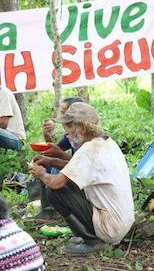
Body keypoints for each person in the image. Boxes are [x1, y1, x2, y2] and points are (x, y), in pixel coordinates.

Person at [30, 102, 134, 255]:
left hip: (110, 227)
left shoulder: (88, 150)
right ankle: (88, 235)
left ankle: (91, 240)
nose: (66, 133)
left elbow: (56, 183)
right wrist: (52, 161)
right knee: (69, 185)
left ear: (82, 128)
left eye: (69, 127)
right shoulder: (106, 143)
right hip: (121, 223)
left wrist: (41, 174)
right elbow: (76, 168)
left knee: (53, 191)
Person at [30, 97, 85, 220]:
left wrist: (51, 163)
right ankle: (46, 209)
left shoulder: (88, 139)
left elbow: (80, 166)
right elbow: (55, 151)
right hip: (78, 173)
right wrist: (47, 135)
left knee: (53, 170)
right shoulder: (70, 134)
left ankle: (56, 210)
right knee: (46, 163)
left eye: (64, 112)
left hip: (84, 183)